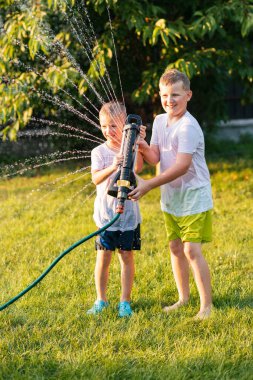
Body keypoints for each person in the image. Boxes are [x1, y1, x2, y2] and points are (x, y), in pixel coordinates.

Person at [129, 69, 213, 320]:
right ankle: (183, 298)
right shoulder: (159, 121)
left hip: (193, 196)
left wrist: (148, 185)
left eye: (175, 95)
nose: (170, 100)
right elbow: (156, 156)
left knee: (191, 250)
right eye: (165, 95)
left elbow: (181, 166)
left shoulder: (188, 127)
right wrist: (141, 144)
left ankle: (206, 306)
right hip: (171, 197)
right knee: (175, 247)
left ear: (188, 95)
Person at [87, 101, 144, 317]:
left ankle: (125, 302)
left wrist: (136, 144)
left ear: (124, 125)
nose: (108, 131)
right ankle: (101, 299)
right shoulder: (99, 151)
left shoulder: (130, 147)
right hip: (106, 216)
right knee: (104, 257)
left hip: (128, 216)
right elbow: (95, 178)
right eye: (104, 126)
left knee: (127, 256)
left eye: (113, 126)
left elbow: (138, 168)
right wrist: (113, 166)